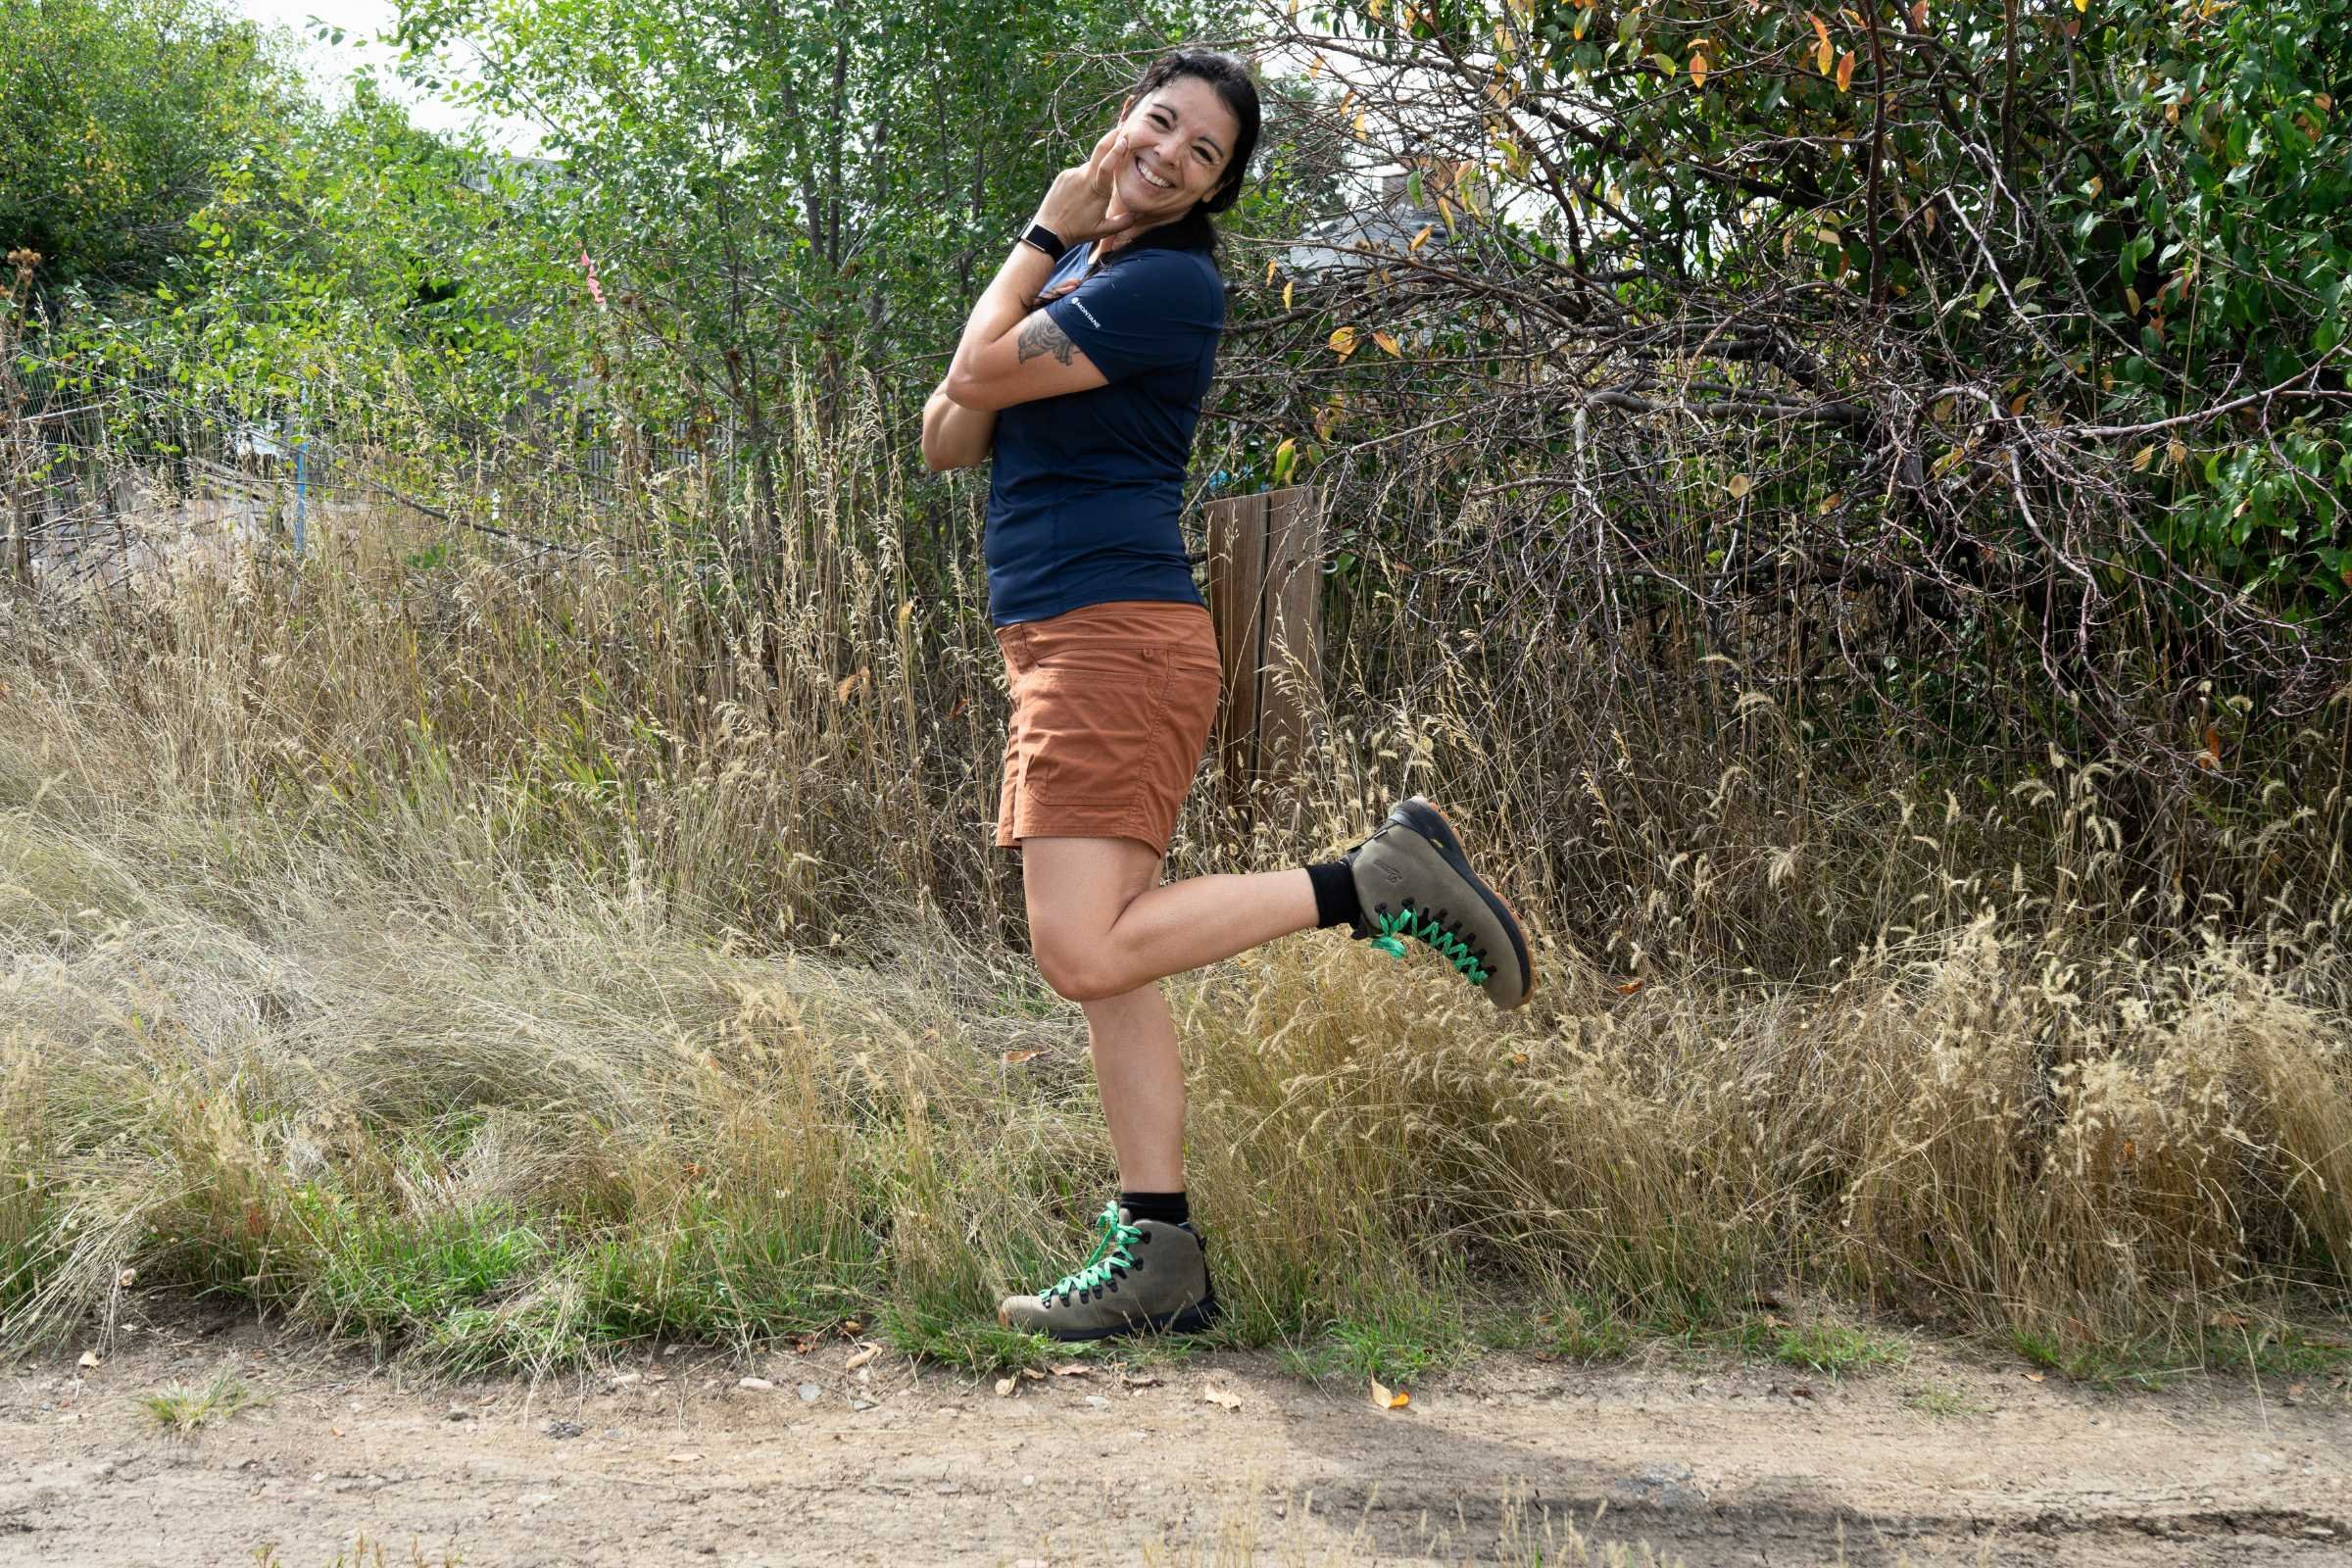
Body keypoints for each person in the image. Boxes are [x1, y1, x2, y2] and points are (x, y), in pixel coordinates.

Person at [919, 49, 1532, 1344]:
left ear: (1216, 191)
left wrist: (1040, 227)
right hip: (1063, 639)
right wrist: (1048, 257)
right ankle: (1160, 1258)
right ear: (1123, 121)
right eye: (1162, 125)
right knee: (1114, 957)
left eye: (1203, 155)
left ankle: (1369, 884)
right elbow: (944, 432)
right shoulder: (1094, 270)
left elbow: (974, 381)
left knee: (1080, 947)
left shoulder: (1160, 286)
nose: (1170, 156)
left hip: (1111, 641)